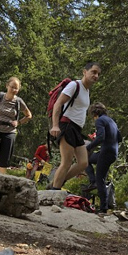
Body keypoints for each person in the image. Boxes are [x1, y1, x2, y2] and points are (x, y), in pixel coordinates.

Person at [48, 62, 101, 190]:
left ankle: (57, 182)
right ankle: (54, 191)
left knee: (83, 163)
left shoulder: (86, 91)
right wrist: (55, 125)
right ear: (85, 72)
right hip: (66, 125)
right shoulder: (74, 85)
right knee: (66, 162)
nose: (96, 76)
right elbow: (58, 104)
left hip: (77, 129)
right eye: (93, 72)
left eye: (98, 74)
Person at [0, 77, 32, 174]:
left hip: (9, 131)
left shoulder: (19, 102)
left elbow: (29, 115)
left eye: (16, 88)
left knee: (4, 158)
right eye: (12, 87)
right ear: (7, 86)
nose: (14, 90)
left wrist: (19, 122)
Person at [84, 102, 120, 213]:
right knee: (86, 161)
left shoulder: (100, 120)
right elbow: (119, 137)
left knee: (101, 179)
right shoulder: (112, 121)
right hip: (113, 152)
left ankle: (103, 208)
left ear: (95, 114)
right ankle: (93, 180)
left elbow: (101, 137)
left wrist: (88, 147)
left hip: (106, 153)